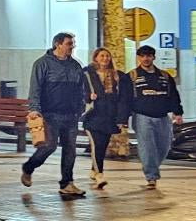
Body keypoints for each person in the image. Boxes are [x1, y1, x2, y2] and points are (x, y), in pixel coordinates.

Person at [21, 31, 89, 198]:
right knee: (49, 146)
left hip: (71, 115)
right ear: (58, 44)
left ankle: (67, 183)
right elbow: (35, 89)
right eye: (69, 44)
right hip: (50, 115)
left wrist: (80, 108)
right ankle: (29, 167)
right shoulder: (42, 64)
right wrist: (34, 109)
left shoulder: (75, 66)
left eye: (73, 44)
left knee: (70, 149)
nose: (72, 47)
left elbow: (81, 89)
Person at [128, 44, 185, 189]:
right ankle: (151, 176)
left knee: (164, 146)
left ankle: (152, 166)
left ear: (153, 57)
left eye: (148, 56)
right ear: (138, 58)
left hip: (163, 117)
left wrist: (177, 112)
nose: (146, 59)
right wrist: (122, 118)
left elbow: (173, 95)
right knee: (147, 147)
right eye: (142, 56)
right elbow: (125, 98)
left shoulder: (165, 76)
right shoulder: (132, 76)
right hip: (142, 117)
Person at [82, 46, 134, 188]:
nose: (105, 59)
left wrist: (121, 119)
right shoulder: (86, 74)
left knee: (102, 145)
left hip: (109, 116)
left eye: (107, 56)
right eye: (102, 56)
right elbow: (77, 92)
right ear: (96, 58)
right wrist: (87, 97)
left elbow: (124, 99)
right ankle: (100, 175)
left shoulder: (119, 76)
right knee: (96, 145)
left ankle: (94, 170)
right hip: (92, 115)